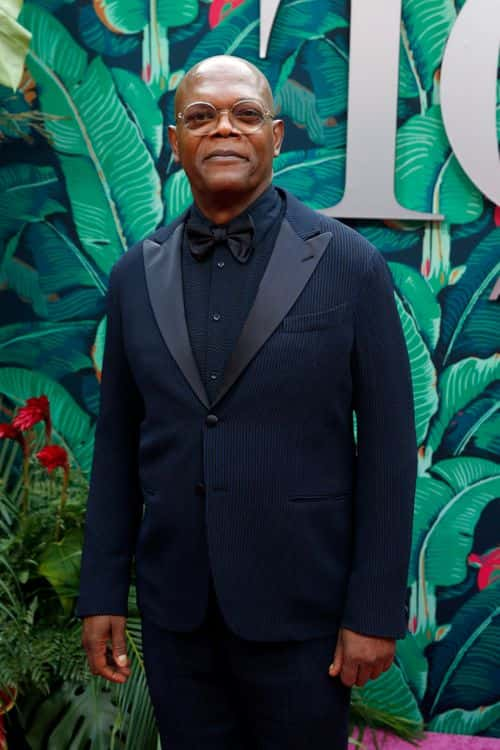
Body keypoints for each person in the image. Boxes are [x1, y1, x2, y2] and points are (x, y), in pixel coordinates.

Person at [76, 54, 417, 749]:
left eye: (245, 114)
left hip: (306, 620)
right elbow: (115, 448)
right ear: (175, 141)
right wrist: (103, 594)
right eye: (201, 117)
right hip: (177, 617)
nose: (223, 129)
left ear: (277, 135)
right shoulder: (133, 275)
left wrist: (374, 610)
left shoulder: (352, 266)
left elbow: (388, 451)